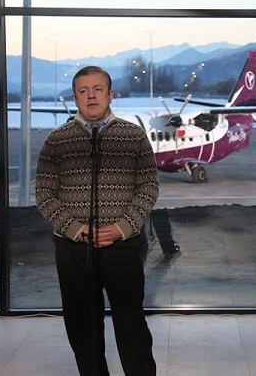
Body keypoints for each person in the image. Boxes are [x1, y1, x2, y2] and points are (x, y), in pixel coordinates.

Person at [35, 65, 159, 376]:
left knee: (132, 328)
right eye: (83, 91)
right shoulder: (57, 140)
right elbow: (45, 194)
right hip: (73, 251)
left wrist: (122, 228)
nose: (91, 96)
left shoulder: (133, 136)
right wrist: (75, 230)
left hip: (123, 248)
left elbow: (148, 187)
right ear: (75, 98)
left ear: (110, 95)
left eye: (98, 89)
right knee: (83, 331)